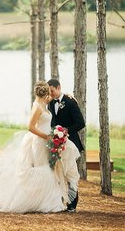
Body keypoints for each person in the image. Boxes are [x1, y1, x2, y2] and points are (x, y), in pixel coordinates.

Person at [0, 81, 80, 213]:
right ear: (44, 92)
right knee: (42, 168)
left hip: (48, 141)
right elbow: (30, 127)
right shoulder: (37, 107)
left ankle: (47, 200)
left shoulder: (44, 103)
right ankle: (36, 201)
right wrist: (45, 136)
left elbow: (54, 98)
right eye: (48, 92)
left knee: (48, 168)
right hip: (39, 142)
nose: (49, 95)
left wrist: (66, 95)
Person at [48, 78, 85, 212]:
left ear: (59, 88)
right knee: (58, 173)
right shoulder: (50, 103)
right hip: (56, 145)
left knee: (70, 174)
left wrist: (65, 131)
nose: (50, 94)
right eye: (49, 92)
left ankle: (72, 205)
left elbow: (81, 123)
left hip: (70, 145)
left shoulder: (70, 102)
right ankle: (60, 202)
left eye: (52, 91)